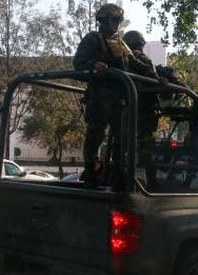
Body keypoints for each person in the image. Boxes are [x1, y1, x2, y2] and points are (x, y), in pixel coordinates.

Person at [73, 3, 129, 187]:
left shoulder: (120, 43)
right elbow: (78, 63)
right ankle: (91, 174)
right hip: (99, 96)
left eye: (119, 20)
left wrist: (155, 76)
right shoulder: (92, 39)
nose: (116, 24)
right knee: (95, 136)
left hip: (119, 98)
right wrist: (94, 65)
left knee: (122, 137)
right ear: (102, 20)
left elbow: (135, 63)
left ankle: (118, 174)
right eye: (113, 19)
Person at [123, 30, 161, 188]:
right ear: (139, 44)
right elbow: (152, 76)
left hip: (128, 109)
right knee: (145, 147)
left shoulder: (122, 60)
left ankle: (122, 180)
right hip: (144, 110)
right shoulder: (140, 58)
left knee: (124, 145)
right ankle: (151, 182)